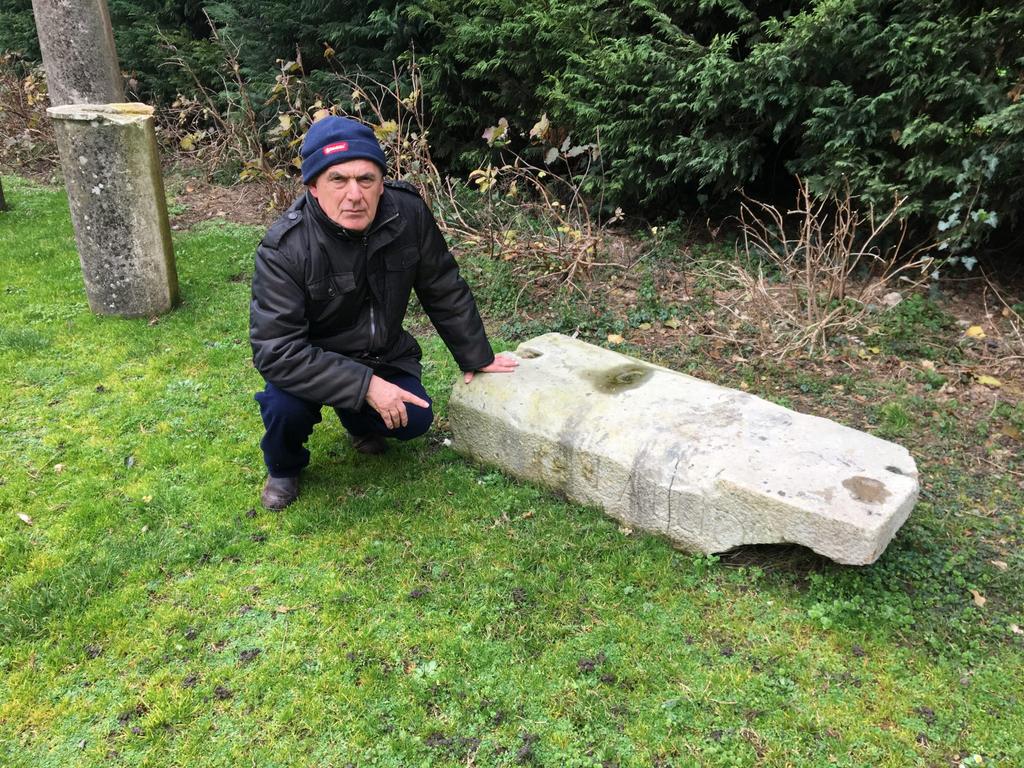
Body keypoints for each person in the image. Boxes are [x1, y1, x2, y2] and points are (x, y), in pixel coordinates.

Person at [250, 116, 517, 509]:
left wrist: (478, 355)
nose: (354, 195)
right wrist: (366, 385)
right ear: (313, 187)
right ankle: (284, 466)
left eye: (366, 179)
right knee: (283, 408)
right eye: (338, 180)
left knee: (416, 421)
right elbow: (276, 351)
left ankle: (356, 419)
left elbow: (441, 284)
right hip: (312, 360)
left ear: (381, 183)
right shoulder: (284, 248)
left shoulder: (407, 213)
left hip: (382, 353)